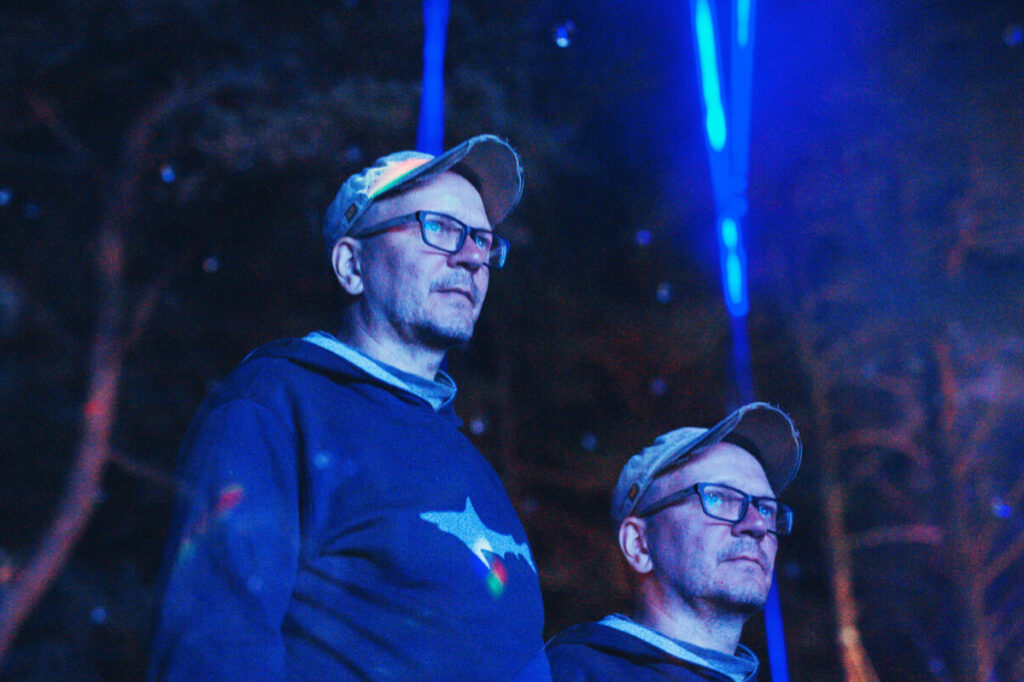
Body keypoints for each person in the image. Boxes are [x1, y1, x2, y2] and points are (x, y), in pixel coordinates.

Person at [149, 135, 551, 681]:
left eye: (483, 240)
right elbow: (215, 641)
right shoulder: (278, 405)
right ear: (351, 265)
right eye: (439, 228)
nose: (473, 257)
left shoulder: (474, 468)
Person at [546, 402, 802, 681]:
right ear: (638, 544)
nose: (757, 524)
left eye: (765, 508)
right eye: (718, 497)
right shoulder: (571, 674)